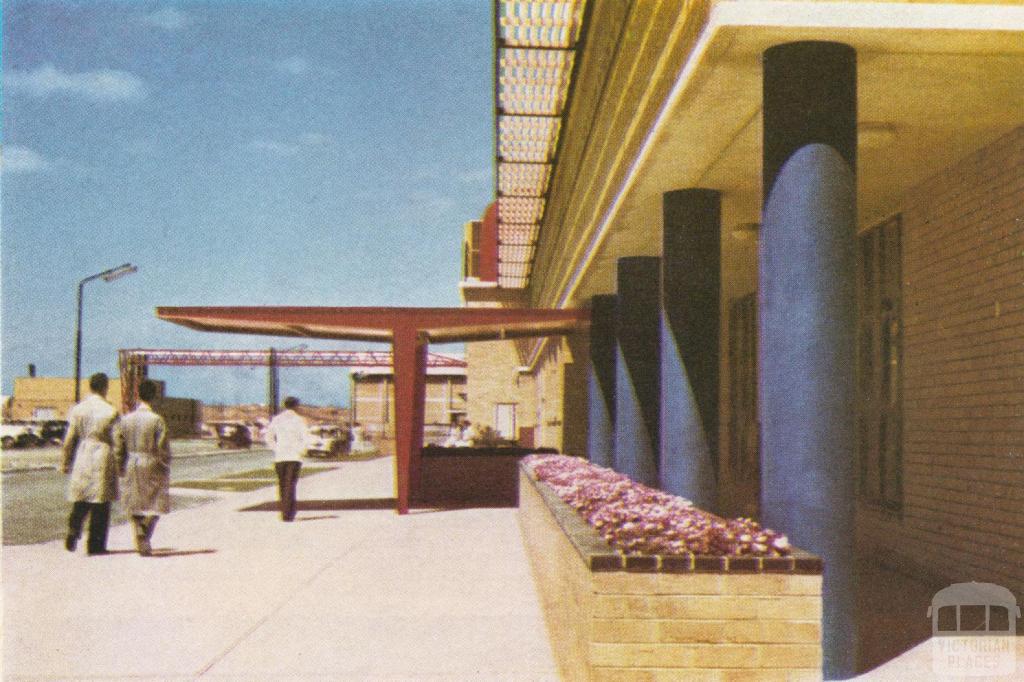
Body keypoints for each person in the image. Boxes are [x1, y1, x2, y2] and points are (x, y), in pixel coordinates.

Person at [61, 372, 123, 556]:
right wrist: (120, 464)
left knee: (82, 496)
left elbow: (69, 439)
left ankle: (74, 526)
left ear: (90, 387)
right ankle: (95, 546)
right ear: (105, 387)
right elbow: (118, 441)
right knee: (101, 502)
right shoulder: (110, 411)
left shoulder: (78, 409)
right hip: (103, 453)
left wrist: (65, 461)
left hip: (84, 452)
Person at [119, 379, 171, 556]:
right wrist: (165, 465)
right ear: (154, 397)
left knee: (133, 503)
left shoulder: (126, 420)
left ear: (138, 395)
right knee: (156, 502)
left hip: (131, 462)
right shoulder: (157, 420)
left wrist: (120, 465)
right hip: (151, 461)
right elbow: (163, 447)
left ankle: (139, 531)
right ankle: (146, 531)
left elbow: (119, 446)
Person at [264, 396, 307, 522]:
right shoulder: (300, 420)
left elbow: (268, 437)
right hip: (294, 457)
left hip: (280, 457)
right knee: (291, 485)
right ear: (296, 406)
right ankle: (289, 513)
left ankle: (284, 511)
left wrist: (276, 448)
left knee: (282, 485)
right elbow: (305, 438)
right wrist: (301, 451)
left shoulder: (277, 419)